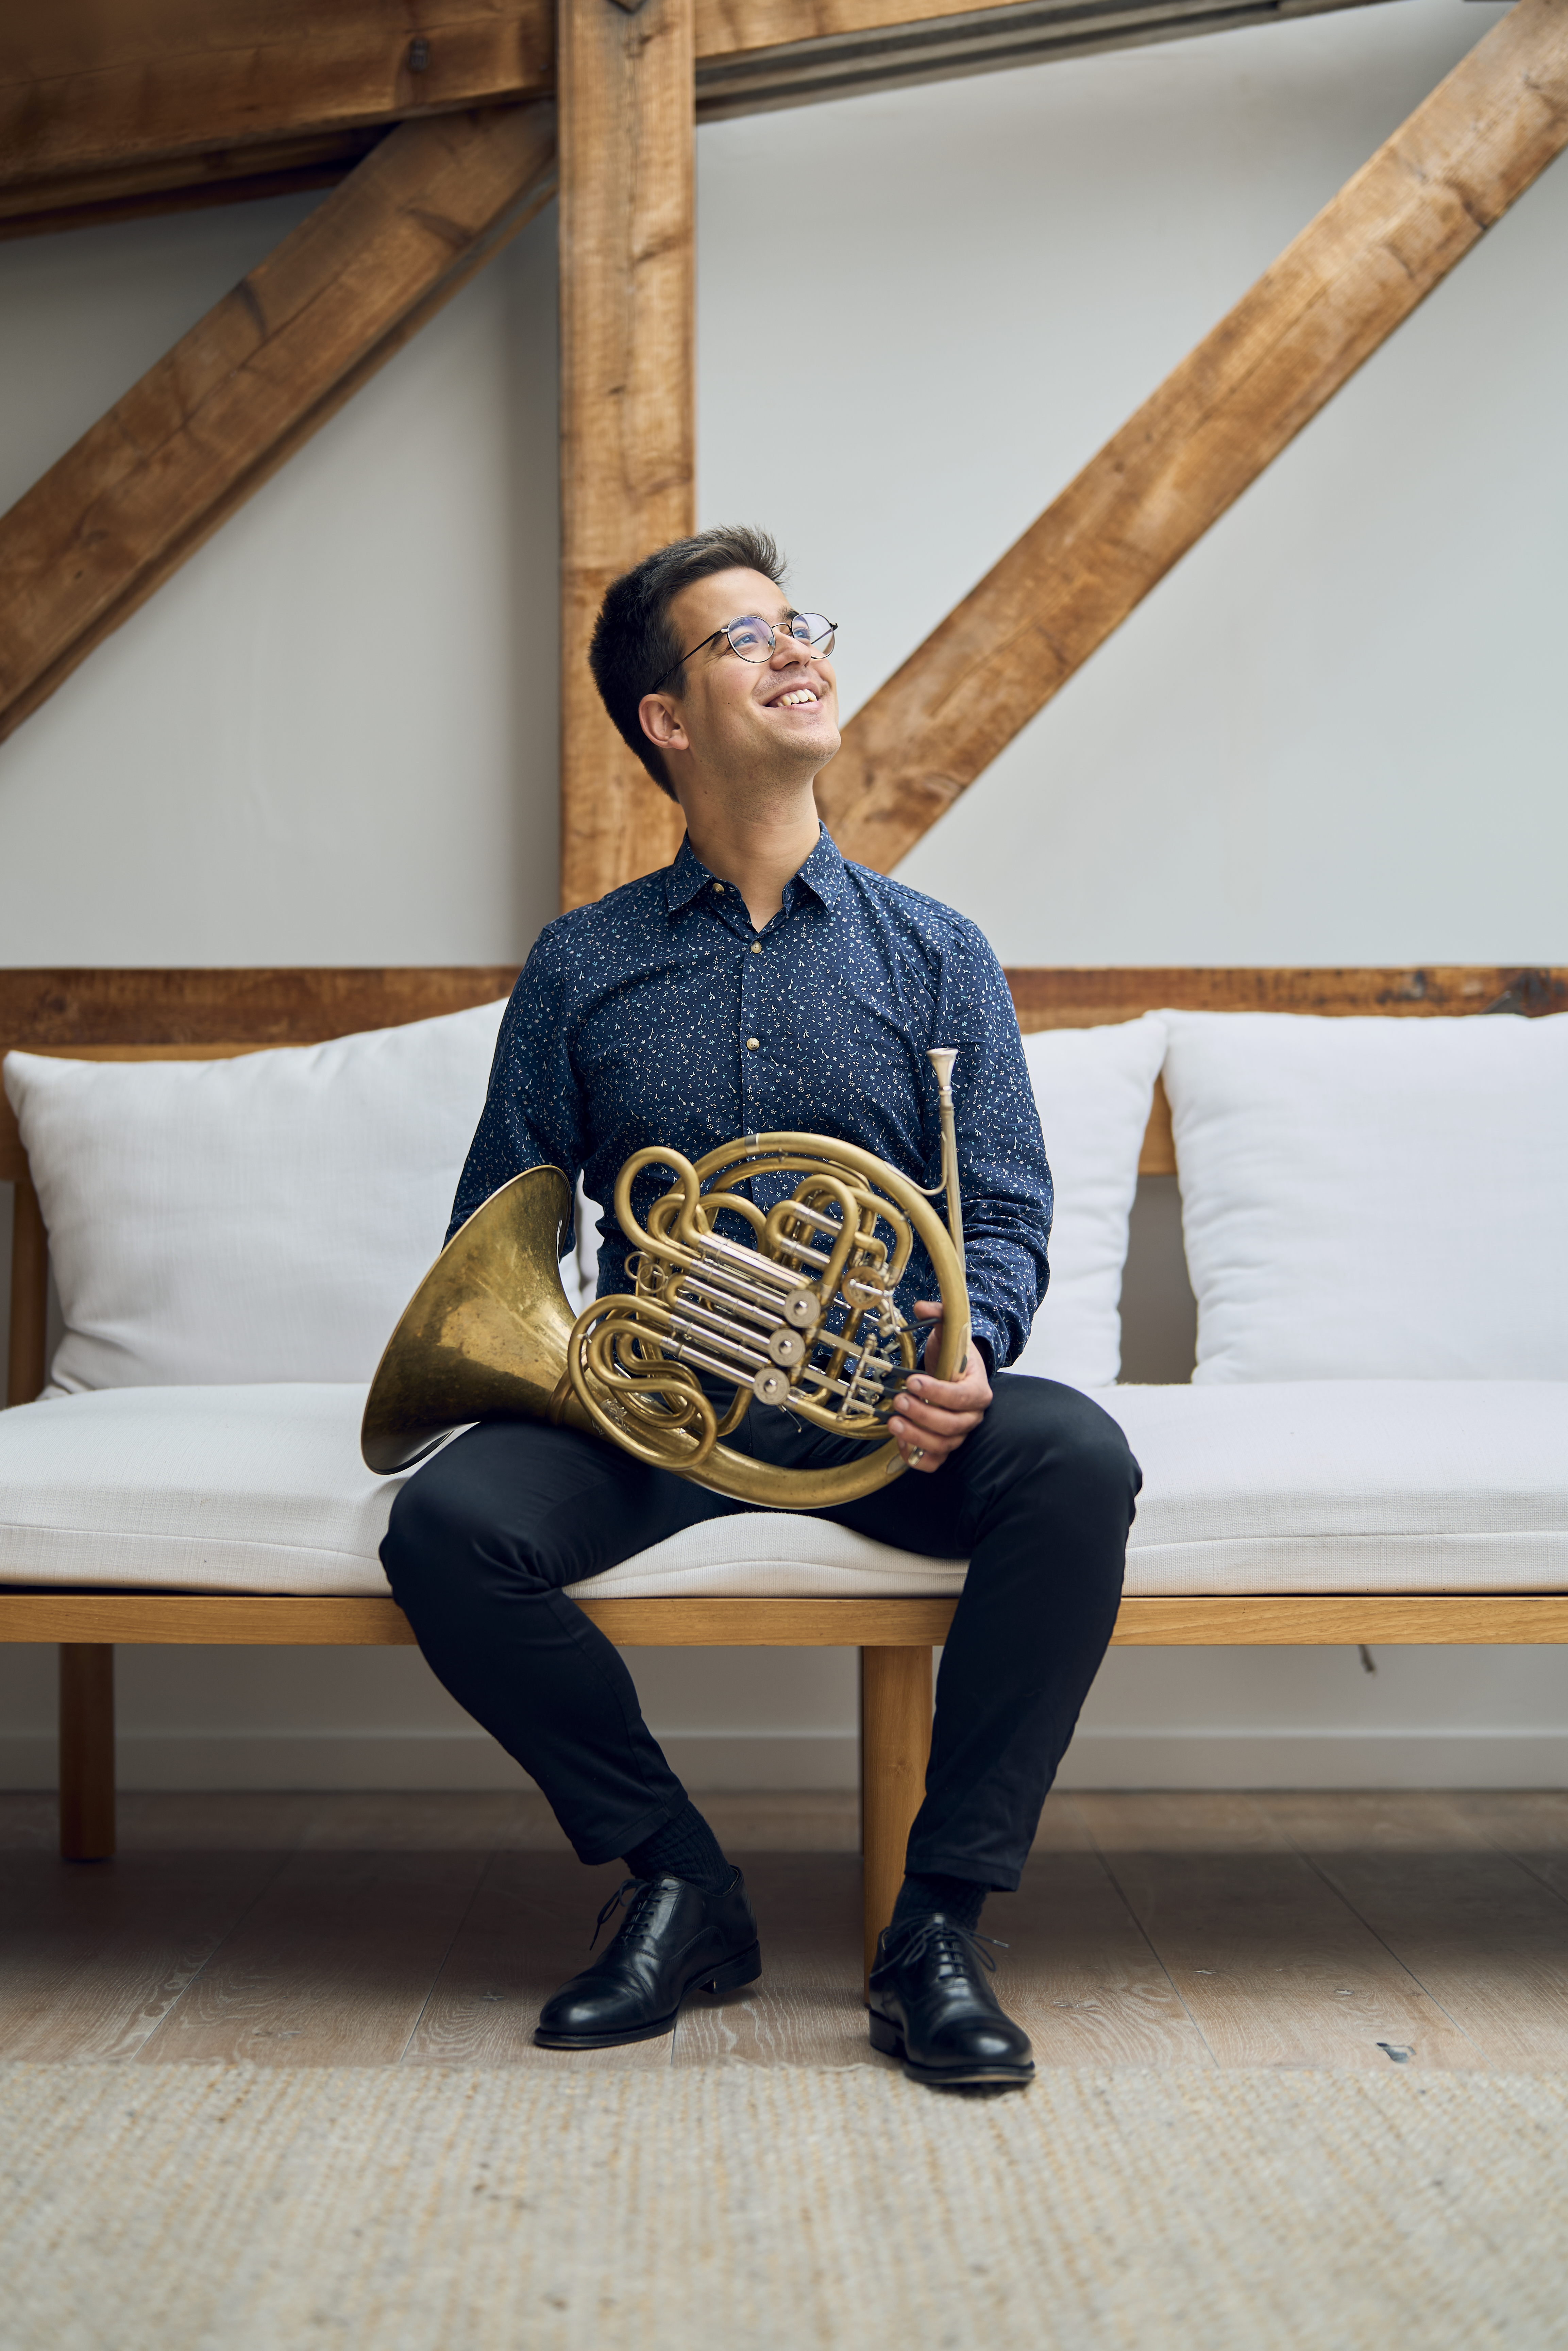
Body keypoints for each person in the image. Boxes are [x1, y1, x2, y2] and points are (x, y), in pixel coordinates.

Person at [382, 525, 1141, 2089]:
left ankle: (934, 1925)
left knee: (1077, 1462)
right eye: (746, 640)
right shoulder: (582, 966)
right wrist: (588, 1361)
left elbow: (999, 1208)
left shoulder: (935, 951)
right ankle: (677, 1881)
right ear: (666, 717)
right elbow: (501, 1224)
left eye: (803, 626)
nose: (800, 652)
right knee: (444, 1528)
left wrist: (969, 1353)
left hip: (886, 1412)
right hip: (658, 1414)